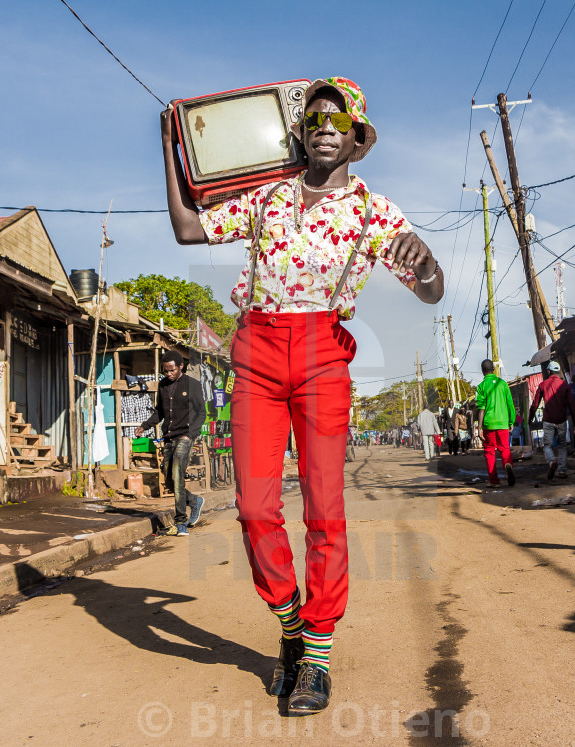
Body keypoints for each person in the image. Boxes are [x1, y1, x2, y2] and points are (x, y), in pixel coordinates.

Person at [160, 76, 443, 714]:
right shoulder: (268, 197)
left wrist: (424, 261)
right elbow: (186, 229)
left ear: (355, 138)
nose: (323, 127)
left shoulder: (373, 212)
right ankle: (290, 617)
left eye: (336, 121)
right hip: (256, 352)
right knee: (256, 508)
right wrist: (170, 143)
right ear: (300, 131)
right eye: (313, 118)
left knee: (323, 507)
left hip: (321, 355)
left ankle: (315, 653)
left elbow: (432, 291)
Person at [136, 351, 206, 536]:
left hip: (185, 436)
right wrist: (144, 426)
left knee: (177, 475)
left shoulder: (193, 385)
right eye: (165, 371)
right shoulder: (163, 385)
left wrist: (190, 435)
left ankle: (181, 522)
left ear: (180, 366)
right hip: (168, 437)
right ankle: (194, 501)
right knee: (169, 479)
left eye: (172, 370)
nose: (168, 374)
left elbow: (201, 414)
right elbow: (160, 412)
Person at [530, 360, 575, 479]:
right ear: (558, 371)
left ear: (548, 371)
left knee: (547, 446)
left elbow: (535, 404)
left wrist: (531, 418)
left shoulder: (543, 385)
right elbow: (572, 405)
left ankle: (552, 461)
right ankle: (562, 471)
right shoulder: (564, 385)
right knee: (562, 446)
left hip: (548, 420)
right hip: (562, 420)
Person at [475, 359, 516, 486]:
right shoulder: (503, 384)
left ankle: (494, 481)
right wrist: (511, 421)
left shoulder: (481, 386)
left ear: (482, 371)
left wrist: (479, 427)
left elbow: (480, 408)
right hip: (503, 422)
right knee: (505, 449)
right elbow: (510, 403)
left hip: (488, 424)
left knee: (489, 452)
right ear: (494, 369)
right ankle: (507, 465)